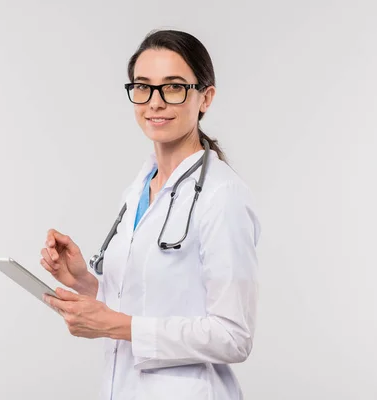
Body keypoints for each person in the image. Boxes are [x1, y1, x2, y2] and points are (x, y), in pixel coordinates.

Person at [39, 29, 261, 400]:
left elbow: (234, 337)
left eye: (173, 87)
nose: (154, 102)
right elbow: (151, 298)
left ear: (205, 98)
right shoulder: (140, 187)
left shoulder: (223, 196)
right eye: (142, 87)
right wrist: (85, 282)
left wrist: (118, 326)